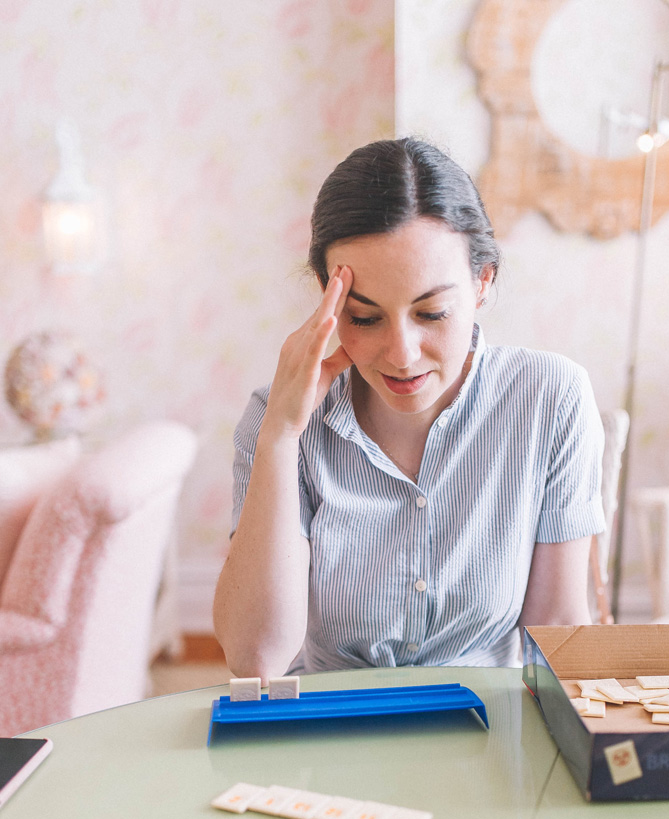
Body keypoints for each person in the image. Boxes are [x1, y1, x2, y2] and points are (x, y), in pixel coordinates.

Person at [214, 138, 604, 680]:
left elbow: (556, 627)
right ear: (327, 299)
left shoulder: (550, 398)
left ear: (482, 282)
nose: (401, 355)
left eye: (433, 312)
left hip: (486, 732)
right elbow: (256, 659)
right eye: (365, 317)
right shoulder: (277, 417)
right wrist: (281, 436)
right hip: (329, 734)